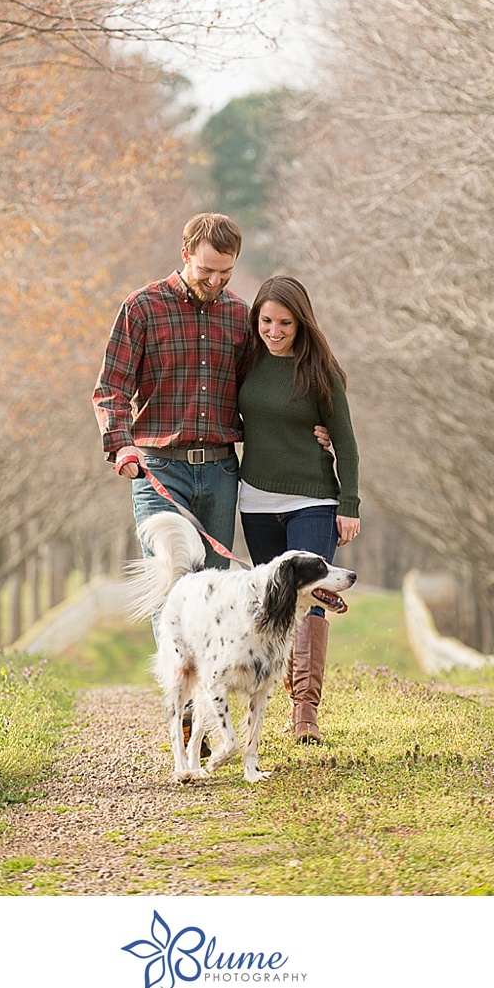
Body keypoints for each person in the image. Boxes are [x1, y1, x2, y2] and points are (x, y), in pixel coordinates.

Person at [237, 275, 361, 745]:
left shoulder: (319, 371)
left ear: (301, 322)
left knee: (310, 597)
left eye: (284, 322)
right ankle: (265, 700)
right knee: (275, 603)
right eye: (266, 321)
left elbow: (345, 441)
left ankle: (305, 710)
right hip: (256, 501)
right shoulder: (247, 361)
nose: (274, 330)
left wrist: (349, 502)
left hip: (313, 497)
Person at [93, 212, 249, 571]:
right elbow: (111, 386)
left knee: (213, 592)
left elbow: (255, 394)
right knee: (170, 584)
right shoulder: (142, 307)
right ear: (185, 254)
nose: (215, 281)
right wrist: (120, 443)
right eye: (206, 270)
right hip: (158, 468)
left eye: (225, 272)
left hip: (221, 472)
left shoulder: (240, 315)